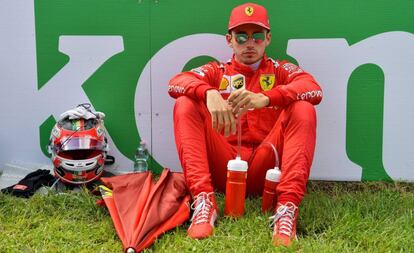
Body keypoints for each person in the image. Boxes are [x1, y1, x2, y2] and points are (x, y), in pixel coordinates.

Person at [168, 2, 322, 247]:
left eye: (257, 36)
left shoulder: (281, 70)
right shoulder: (216, 71)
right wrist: (208, 93)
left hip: (267, 169)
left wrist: (268, 97)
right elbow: (176, 82)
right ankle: (205, 201)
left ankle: (286, 209)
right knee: (185, 103)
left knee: (303, 108)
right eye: (241, 36)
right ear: (229, 40)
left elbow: (314, 89)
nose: (250, 43)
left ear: (268, 39)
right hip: (225, 168)